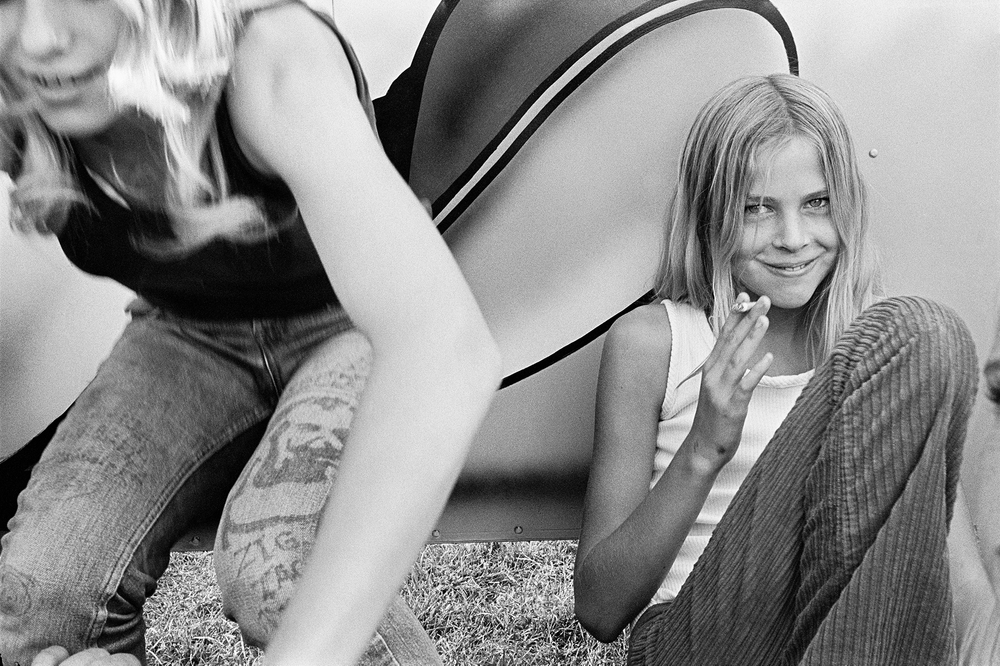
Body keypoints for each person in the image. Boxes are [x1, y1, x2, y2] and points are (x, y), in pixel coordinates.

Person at [0, 0, 502, 665]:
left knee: (277, 571)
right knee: (42, 599)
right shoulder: (17, 92)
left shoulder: (270, 56)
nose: (38, 38)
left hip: (353, 324)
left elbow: (439, 347)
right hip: (186, 333)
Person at [572, 73, 998, 664]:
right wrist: (705, 446)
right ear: (711, 213)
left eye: (817, 203)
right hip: (696, 638)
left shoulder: (877, 350)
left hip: (839, 633)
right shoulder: (656, 343)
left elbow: (950, 569)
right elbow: (599, 609)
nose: (793, 238)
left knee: (924, 332)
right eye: (757, 209)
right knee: (913, 332)